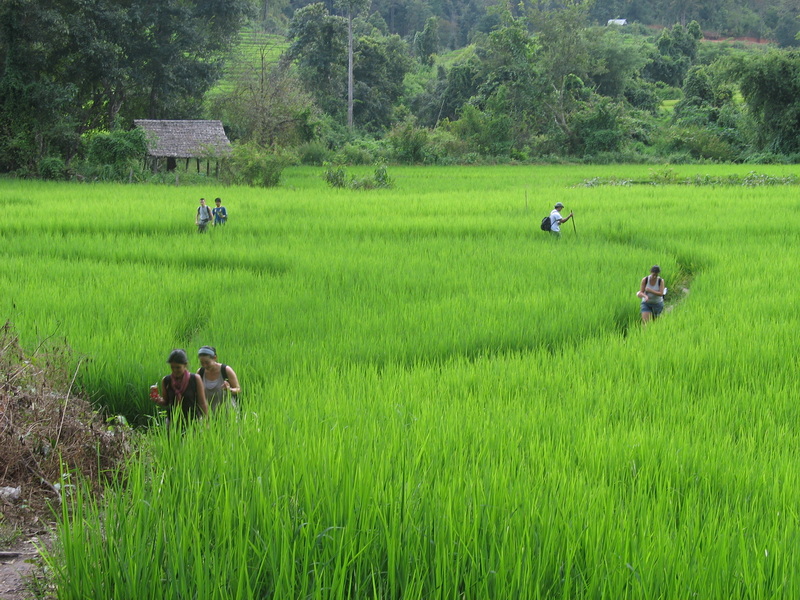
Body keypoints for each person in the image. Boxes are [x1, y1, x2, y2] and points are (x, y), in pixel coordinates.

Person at [151, 349, 208, 425]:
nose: (175, 370)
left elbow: (202, 403)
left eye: (178, 367)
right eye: (172, 367)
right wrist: (158, 400)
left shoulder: (195, 379)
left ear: (185, 365)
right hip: (173, 422)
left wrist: (206, 421)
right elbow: (166, 402)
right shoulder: (166, 380)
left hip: (193, 421)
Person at [196, 345, 241, 411]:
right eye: (202, 363)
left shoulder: (226, 370)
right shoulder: (200, 372)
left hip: (228, 411)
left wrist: (229, 389)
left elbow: (238, 390)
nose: (204, 365)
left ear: (215, 358)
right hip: (208, 413)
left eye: (207, 362)